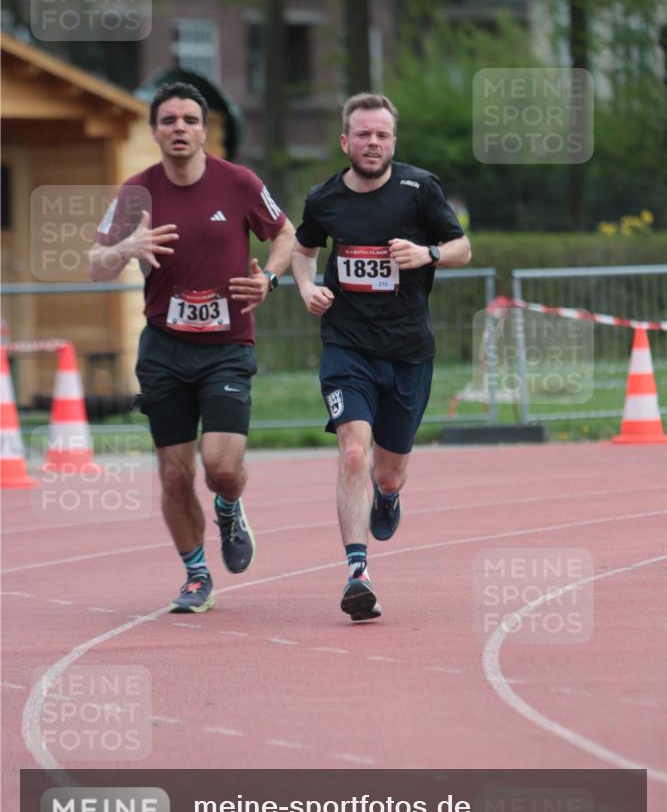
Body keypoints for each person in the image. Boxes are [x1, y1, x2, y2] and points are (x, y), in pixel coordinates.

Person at [89, 82, 295, 613]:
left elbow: (286, 235)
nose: (179, 128)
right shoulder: (136, 192)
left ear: (204, 131)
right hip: (164, 349)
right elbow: (95, 262)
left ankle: (229, 507)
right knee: (175, 473)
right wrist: (127, 246)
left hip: (226, 346)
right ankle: (196, 575)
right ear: (155, 131)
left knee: (220, 466)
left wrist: (270, 280)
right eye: (168, 120)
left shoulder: (240, 182)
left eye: (189, 120)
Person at [291, 93, 471, 622]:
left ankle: (388, 498)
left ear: (394, 141)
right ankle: (357, 572)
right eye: (363, 135)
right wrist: (305, 288)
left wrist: (428, 253)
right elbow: (304, 252)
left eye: (382, 135)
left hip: (409, 352)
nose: (373, 143)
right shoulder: (323, 198)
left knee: (387, 474)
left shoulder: (420, 189)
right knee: (352, 451)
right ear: (345, 141)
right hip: (347, 346)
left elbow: (462, 247)